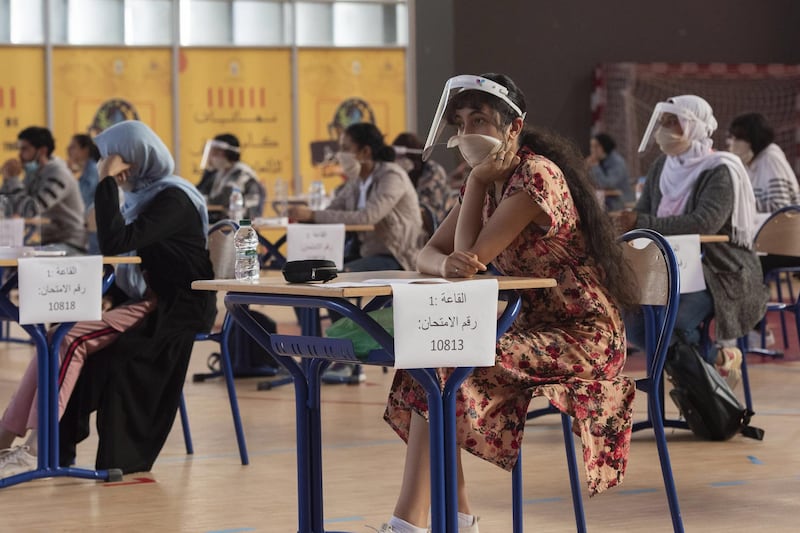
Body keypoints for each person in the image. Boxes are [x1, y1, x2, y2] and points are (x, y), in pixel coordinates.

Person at [377, 73, 638, 533]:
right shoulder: (487, 180)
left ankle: (409, 524)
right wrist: (448, 263)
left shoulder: (534, 175)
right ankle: (454, 518)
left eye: (479, 120)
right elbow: (429, 254)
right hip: (532, 329)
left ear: (513, 128)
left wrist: (475, 186)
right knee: (425, 362)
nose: (465, 132)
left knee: (440, 364)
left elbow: (473, 255)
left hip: (584, 336)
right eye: (460, 122)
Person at [0, 120, 216, 477]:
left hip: (171, 307)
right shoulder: (141, 196)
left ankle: (38, 451)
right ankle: (6, 438)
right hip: (142, 298)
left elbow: (116, 242)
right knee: (52, 339)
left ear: (137, 158)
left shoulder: (175, 198)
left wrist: (103, 182)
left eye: (115, 158)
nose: (109, 165)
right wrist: (112, 294)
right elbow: (122, 248)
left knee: (68, 338)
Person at [614, 95, 769, 387]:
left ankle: (702, 393)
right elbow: (643, 212)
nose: (664, 128)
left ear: (693, 126)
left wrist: (641, 223)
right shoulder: (662, 166)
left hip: (719, 271)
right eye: (663, 121)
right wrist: (630, 221)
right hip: (672, 269)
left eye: (673, 122)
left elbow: (704, 222)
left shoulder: (721, 168)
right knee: (635, 327)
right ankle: (719, 360)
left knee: (673, 324)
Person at [288, 122, 422, 385]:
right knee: (302, 280)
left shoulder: (392, 176)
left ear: (365, 151)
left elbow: (368, 216)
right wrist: (309, 215)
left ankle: (348, 358)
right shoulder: (357, 181)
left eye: (345, 148)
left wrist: (313, 214)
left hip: (398, 256)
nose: (341, 154)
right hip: (366, 254)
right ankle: (317, 356)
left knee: (333, 281)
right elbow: (335, 208)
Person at [726, 113, 800, 346]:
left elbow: (781, 208)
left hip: (787, 245)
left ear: (752, 140)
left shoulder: (770, 159)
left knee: (740, 265)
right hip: (769, 243)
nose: (731, 142)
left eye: (737, 137)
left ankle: (757, 330)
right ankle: (749, 328)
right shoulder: (752, 165)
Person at [0, 126, 86, 251]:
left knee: (23, 259)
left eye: (25, 149)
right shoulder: (34, 173)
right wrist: (7, 180)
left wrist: (13, 179)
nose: (20, 155)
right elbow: (11, 205)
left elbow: (31, 209)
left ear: (42, 151)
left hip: (69, 242)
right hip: (47, 241)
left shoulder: (59, 174)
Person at [196, 133, 265, 223]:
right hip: (222, 223)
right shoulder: (218, 173)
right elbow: (199, 193)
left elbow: (221, 200)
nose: (211, 157)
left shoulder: (242, 174)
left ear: (226, 153)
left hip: (241, 226)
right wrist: (207, 174)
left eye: (215, 153)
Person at [392, 132, 449, 222]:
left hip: (433, 223)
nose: (397, 160)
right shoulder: (406, 171)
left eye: (400, 156)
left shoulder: (432, 171)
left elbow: (421, 204)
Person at [67, 133, 102, 253]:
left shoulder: (92, 169)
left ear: (85, 150)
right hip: (89, 224)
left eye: (73, 147)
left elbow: (80, 197)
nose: (68, 150)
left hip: (95, 225)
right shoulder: (87, 169)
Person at [586, 132, 634, 211]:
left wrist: (595, 167)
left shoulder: (617, 162)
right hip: (604, 200)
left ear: (604, 146)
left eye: (596, 146)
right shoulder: (599, 161)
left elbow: (608, 184)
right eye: (591, 147)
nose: (593, 150)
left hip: (620, 201)